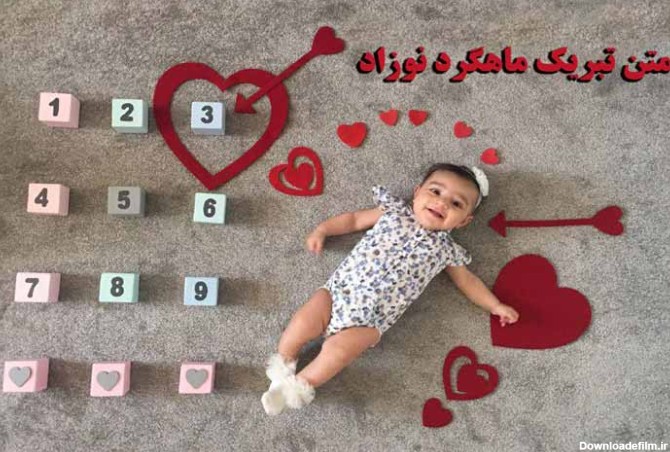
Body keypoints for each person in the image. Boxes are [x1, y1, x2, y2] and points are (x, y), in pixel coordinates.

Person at [261, 163, 519, 415]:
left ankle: (293, 389)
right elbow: (354, 220)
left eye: (456, 204)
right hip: (338, 293)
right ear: (417, 192)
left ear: (464, 221)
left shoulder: (447, 251)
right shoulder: (394, 213)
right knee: (302, 323)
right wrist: (323, 230)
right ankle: (282, 368)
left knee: (337, 353)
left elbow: (467, 282)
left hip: (370, 322)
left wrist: (495, 305)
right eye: (436, 191)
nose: (442, 203)